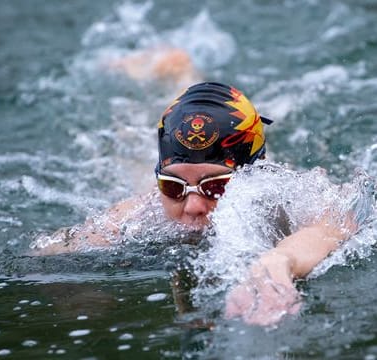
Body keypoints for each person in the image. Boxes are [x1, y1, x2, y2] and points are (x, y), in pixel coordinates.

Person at [30, 82, 357, 326]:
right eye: (172, 186)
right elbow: (50, 250)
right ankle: (168, 73)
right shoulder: (141, 211)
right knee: (126, 157)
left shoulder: (288, 194)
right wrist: (71, 287)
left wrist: (279, 259)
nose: (192, 206)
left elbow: (334, 224)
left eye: (216, 186)